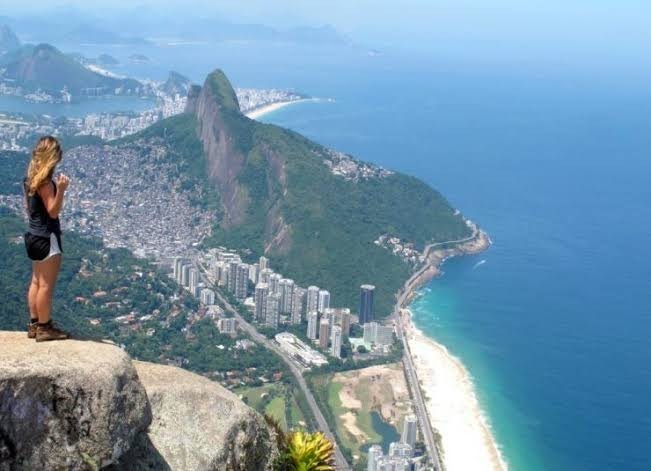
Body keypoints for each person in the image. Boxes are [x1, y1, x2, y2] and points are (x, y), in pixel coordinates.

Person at [23, 136, 71, 342]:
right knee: (46, 286)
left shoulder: (29, 180)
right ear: (52, 156)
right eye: (58, 153)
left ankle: (34, 324)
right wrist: (60, 190)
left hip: (33, 237)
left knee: (35, 282)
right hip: (47, 238)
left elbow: (29, 208)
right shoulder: (46, 183)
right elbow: (52, 211)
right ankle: (44, 327)